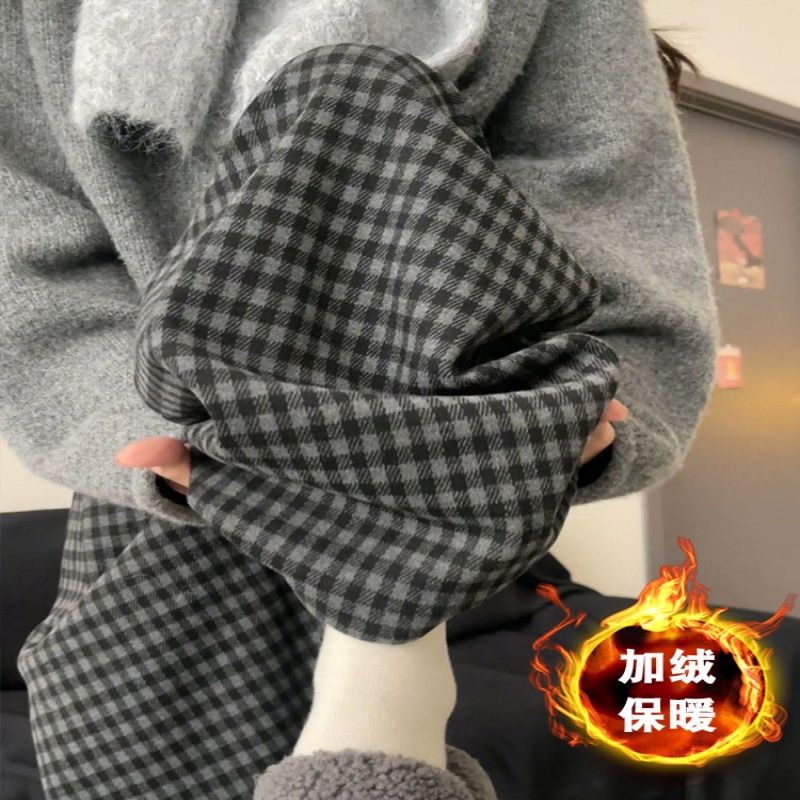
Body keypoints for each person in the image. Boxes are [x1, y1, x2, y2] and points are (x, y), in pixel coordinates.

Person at [0, 2, 719, 798]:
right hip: (188, 463)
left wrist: (577, 398)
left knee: (354, 85)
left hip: (442, 420)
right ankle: (384, 664)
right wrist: (163, 419)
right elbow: (32, 263)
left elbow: (608, 207)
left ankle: (378, 661)